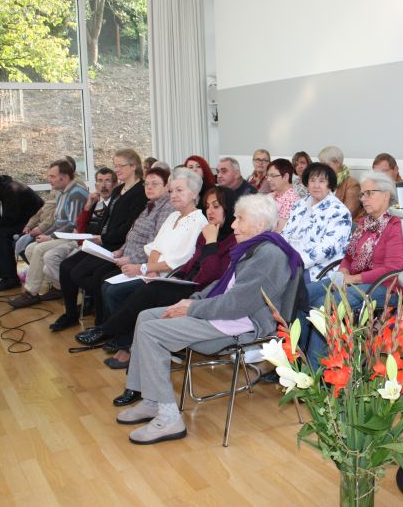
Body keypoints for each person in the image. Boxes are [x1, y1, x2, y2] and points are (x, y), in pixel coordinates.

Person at [114, 194, 302, 444]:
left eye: (239, 219)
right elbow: (221, 285)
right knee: (147, 316)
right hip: (226, 315)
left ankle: (169, 418)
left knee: (152, 332)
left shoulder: (269, 255)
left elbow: (237, 304)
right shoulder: (254, 247)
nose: (233, 225)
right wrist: (192, 300)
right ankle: (151, 400)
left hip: (242, 324)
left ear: (258, 224)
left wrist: (192, 308)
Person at [92, 186, 238, 394]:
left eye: (216, 206)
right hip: (188, 284)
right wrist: (178, 276)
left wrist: (212, 243)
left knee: (152, 290)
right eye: (207, 206)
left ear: (230, 208)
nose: (210, 211)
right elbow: (191, 264)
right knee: (144, 311)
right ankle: (134, 385)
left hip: (203, 295)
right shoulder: (206, 234)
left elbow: (211, 276)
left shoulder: (232, 239)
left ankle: (106, 330)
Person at [300, 171, 403, 370]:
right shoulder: (365, 223)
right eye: (362, 194)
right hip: (355, 280)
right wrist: (344, 272)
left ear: (386, 195)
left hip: (384, 287)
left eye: (369, 193)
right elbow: (348, 256)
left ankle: (316, 373)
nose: (363, 199)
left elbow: (392, 268)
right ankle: (298, 361)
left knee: (326, 305)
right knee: (301, 295)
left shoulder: (396, 225)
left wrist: (353, 279)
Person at [92, 167, 207, 336]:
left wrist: (146, 269)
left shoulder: (198, 221)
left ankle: (123, 340)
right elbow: (155, 246)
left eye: (180, 190)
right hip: (154, 272)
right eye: (172, 190)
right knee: (109, 286)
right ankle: (120, 339)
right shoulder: (173, 216)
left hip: (171, 278)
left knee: (116, 292)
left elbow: (179, 262)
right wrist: (150, 269)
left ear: (195, 193)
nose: (173, 195)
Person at [50, 150, 151, 331]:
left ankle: (102, 318)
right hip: (104, 241)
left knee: (82, 274)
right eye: (116, 165)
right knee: (66, 267)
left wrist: (103, 238)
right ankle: (71, 314)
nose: (117, 170)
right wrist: (94, 234)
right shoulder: (119, 189)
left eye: (121, 166)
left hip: (117, 245)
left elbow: (129, 226)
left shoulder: (141, 192)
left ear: (133, 167)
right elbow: (107, 217)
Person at [8, 160, 89, 308]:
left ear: (64, 178)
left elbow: (73, 224)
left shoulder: (76, 193)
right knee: (30, 249)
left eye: (52, 176)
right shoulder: (61, 192)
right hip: (62, 235)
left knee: (38, 249)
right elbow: (58, 221)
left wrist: (50, 237)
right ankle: (60, 287)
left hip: (74, 237)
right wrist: (45, 233)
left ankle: (31, 293)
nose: (49, 180)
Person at [40, 167, 117, 301]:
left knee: (67, 266)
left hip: (95, 246)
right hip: (80, 241)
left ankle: (87, 297)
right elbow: (80, 227)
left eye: (108, 181)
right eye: (99, 181)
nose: (103, 186)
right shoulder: (95, 202)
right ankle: (74, 294)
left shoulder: (116, 204)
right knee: (49, 261)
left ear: (115, 184)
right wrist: (88, 206)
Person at [281, 162, 351, 282]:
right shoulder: (299, 205)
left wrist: (295, 260)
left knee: (277, 281)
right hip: (289, 260)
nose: (316, 185)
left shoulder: (339, 211)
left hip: (319, 269)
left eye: (322, 181)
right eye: (312, 180)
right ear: (307, 183)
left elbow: (327, 248)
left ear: (330, 185)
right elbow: (286, 233)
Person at [13, 156, 79, 262]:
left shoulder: (75, 190)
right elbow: (45, 208)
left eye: (53, 176)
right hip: (49, 227)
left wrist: (44, 231)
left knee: (32, 247)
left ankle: (37, 276)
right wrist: (31, 224)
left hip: (60, 232)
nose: (49, 180)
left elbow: (61, 218)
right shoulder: (59, 188)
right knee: (22, 244)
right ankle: (38, 275)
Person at [318, 145, 362, 220]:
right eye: (321, 165)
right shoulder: (324, 182)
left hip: (345, 225)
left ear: (337, 163)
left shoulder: (352, 183)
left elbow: (348, 212)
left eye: (326, 165)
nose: (323, 168)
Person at [265, 158, 300, 232]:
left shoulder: (292, 200)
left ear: (286, 177)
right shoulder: (271, 195)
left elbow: (280, 233)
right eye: (267, 175)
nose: (268, 179)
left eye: (273, 176)